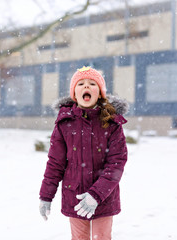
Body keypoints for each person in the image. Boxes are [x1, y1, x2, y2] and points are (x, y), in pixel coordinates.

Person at [39, 66, 128, 240]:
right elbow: (55, 163)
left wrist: (96, 194)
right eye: (80, 83)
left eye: (92, 84)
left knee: (101, 237)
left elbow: (116, 163)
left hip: (104, 196)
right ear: (74, 93)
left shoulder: (111, 123)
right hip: (74, 195)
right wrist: (46, 195)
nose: (86, 87)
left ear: (100, 93)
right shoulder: (64, 124)